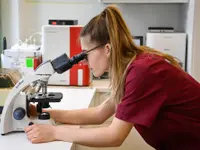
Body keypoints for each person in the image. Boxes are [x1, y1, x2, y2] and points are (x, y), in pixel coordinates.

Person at [25, 5, 200, 150]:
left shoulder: (143, 72)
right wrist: (46, 114)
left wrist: (55, 133)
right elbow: (100, 113)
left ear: (107, 49)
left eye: (86, 53)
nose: (84, 61)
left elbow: (114, 136)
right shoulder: (132, 67)